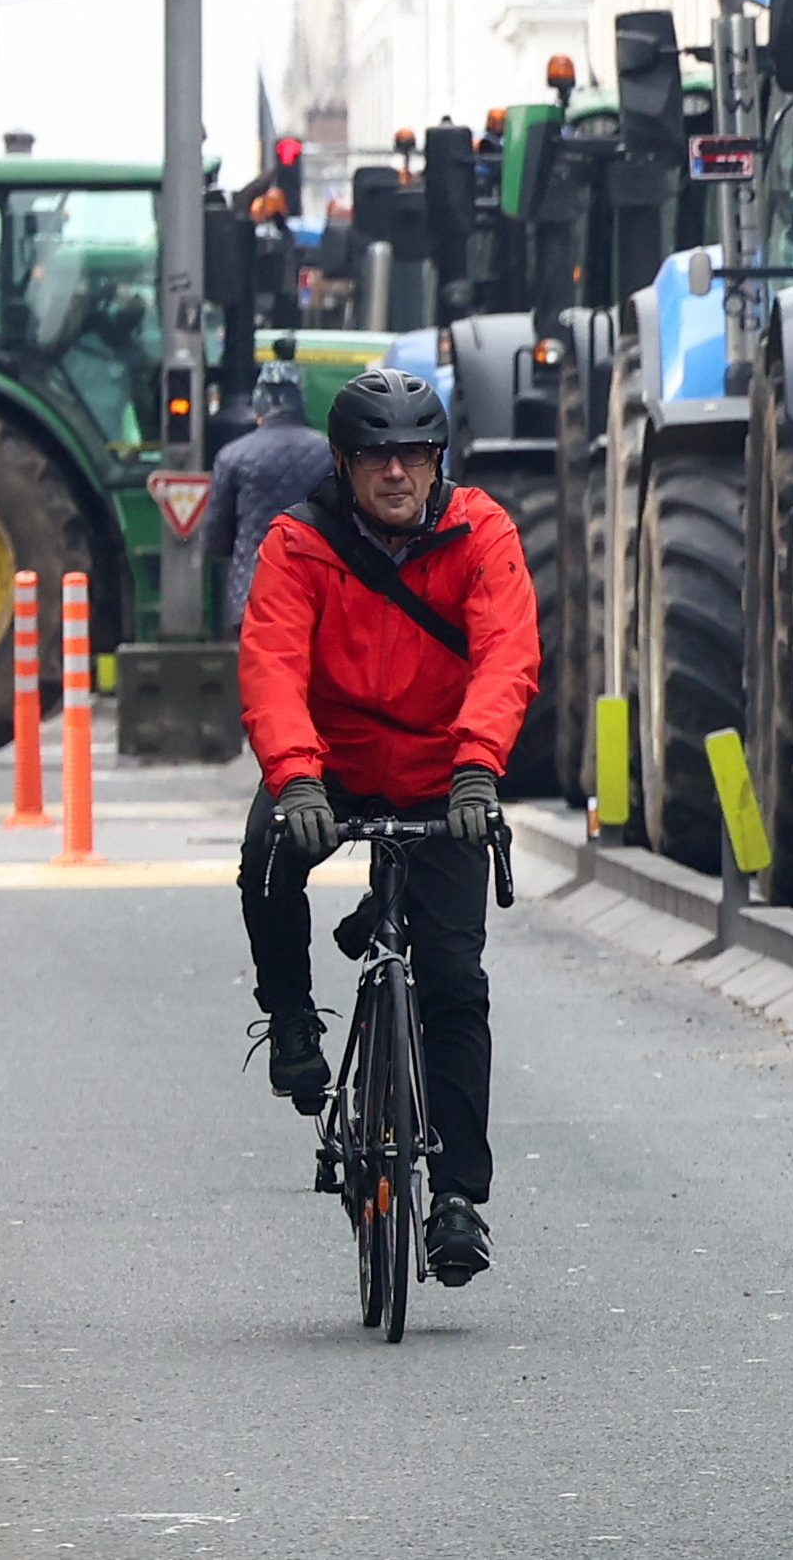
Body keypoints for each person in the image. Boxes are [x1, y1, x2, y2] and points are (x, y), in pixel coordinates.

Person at [234, 366, 538, 1287]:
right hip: (329, 769)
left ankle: (456, 1199)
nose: (396, 473)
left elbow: (506, 654)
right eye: (376, 457)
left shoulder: (482, 533)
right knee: (262, 867)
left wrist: (479, 769)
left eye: (414, 455)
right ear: (344, 463)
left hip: (447, 782)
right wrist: (294, 781)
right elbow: (273, 664)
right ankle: (290, 1017)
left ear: (438, 460)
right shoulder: (300, 545)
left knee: (453, 977)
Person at [202, 353, 331, 631]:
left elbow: (216, 537)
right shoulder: (330, 454)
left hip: (254, 593)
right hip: (315, 591)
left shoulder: (232, 456)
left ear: (259, 402)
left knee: (262, 671)